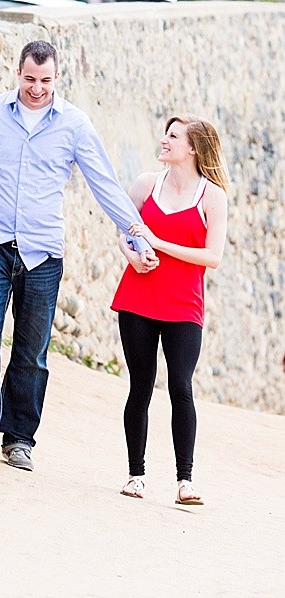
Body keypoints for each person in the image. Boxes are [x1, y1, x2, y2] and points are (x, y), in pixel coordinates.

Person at [0, 40, 157, 471]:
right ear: (16, 73)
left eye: (44, 80)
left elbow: (105, 183)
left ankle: (19, 438)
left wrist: (135, 233)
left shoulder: (75, 125)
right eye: (29, 79)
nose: (36, 88)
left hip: (43, 253)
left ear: (56, 77)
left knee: (31, 350)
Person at [112, 115, 230, 505]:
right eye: (166, 133)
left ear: (193, 148)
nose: (165, 140)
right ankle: (135, 474)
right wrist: (133, 256)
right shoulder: (145, 185)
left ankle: (185, 481)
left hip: (184, 306)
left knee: (181, 386)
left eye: (174, 136)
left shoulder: (212, 196)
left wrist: (159, 244)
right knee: (140, 386)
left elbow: (213, 257)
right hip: (138, 299)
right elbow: (124, 232)